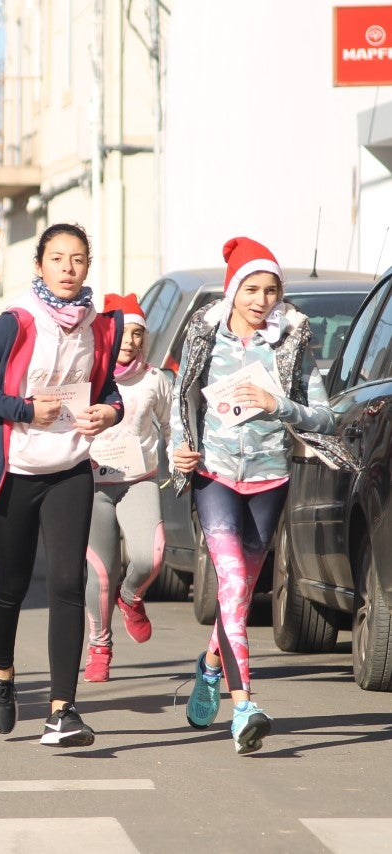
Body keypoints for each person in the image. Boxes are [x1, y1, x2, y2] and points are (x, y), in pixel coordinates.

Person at [0, 222, 122, 748]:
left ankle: (63, 711)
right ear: (40, 266)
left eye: (78, 260)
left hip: (69, 468)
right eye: (58, 259)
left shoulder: (100, 326)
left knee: (68, 584)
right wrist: (23, 409)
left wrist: (108, 412)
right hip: (13, 471)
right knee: (15, 582)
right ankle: (1, 673)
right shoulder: (15, 323)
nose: (69, 269)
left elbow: (108, 386)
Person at [171, 237, 338, 755]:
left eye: (271, 290)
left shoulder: (288, 345)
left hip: (270, 480)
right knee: (234, 580)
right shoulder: (205, 338)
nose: (262, 299)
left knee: (237, 598)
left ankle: (209, 666)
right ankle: (244, 708)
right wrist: (180, 450)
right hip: (215, 476)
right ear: (233, 291)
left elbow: (324, 416)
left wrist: (278, 404)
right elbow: (182, 406)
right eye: (252, 288)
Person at [82, 292, 172, 682]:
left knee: (150, 556)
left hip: (138, 481)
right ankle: (99, 646)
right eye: (123, 333)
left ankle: (131, 596)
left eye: (138, 334)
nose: (131, 341)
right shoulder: (87, 375)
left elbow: (173, 426)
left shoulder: (155, 379)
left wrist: (184, 452)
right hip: (93, 486)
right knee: (100, 573)